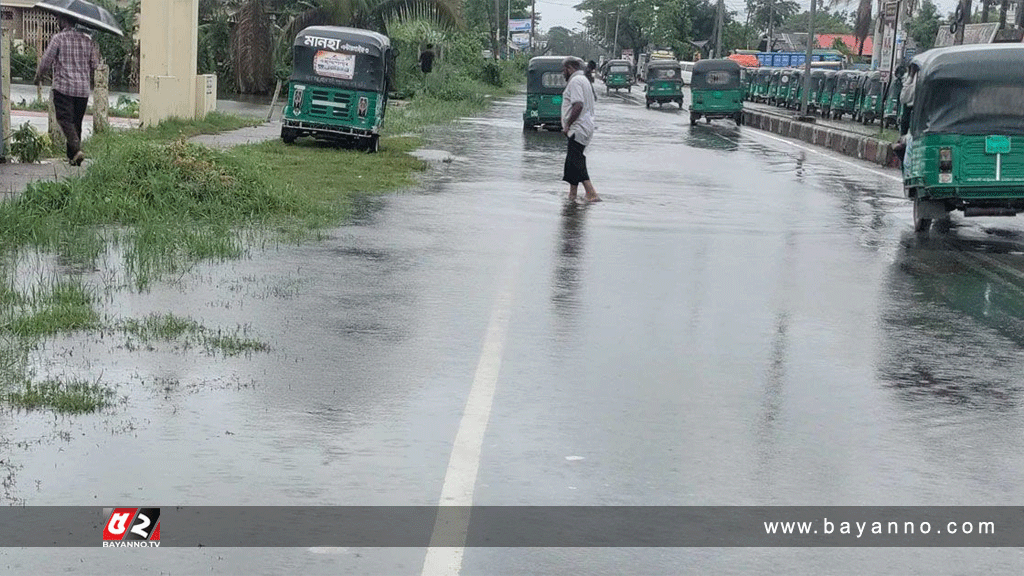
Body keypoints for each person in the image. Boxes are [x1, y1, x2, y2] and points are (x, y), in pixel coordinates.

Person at [34, 15, 101, 166]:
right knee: (76, 122)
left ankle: (76, 149)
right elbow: (95, 65)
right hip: (82, 90)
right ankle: (73, 158)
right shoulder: (87, 41)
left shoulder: (58, 38)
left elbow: (46, 61)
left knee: (65, 120)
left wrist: (38, 77)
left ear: (64, 21)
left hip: (63, 88)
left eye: (59, 19)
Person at [560, 58, 601, 203]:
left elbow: (578, 105)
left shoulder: (576, 81)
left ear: (570, 68)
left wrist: (567, 124)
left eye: (563, 70)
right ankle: (573, 194)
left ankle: (591, 192)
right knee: (572, 161)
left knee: (576, 161)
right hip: (584, 126)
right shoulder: (583, 79)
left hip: (578, 127)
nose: (563, 73)